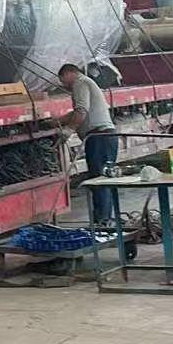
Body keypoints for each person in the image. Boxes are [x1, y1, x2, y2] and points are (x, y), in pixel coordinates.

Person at [58, 61, 119, 229]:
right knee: (104, 178)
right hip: (106, 136)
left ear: (68, 73)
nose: (63, 84)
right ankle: (105, 219)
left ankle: (103, 221)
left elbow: (81, 110)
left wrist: (69, 129)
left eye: (62, 80)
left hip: (99, 137)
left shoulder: (80, 82)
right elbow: (78, 111)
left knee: (99, 179)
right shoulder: (86, 82)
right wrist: (57, 121)